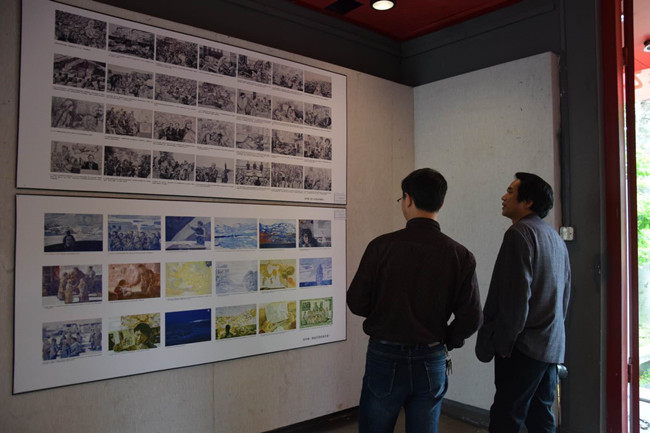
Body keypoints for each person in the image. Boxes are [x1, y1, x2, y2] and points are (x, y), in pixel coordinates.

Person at [347, 168, 482, 433]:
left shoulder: (381, 247)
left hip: (384, 354)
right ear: (441, 203)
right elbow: (472, 317)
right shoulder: (460, 254)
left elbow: (356, 302)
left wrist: (384, 312)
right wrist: (448, 340)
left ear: (408, 199)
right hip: (432, 355)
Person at [475, 172, 571, 433]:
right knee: (541, 417)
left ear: (528, 201)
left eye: (510, 191)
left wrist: (504, 344)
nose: (503, 197)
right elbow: (564, 296)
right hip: (549, 346)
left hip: (522, 348)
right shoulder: (554, 238)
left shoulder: (519, 234)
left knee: (507, 417)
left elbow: (515, 299)